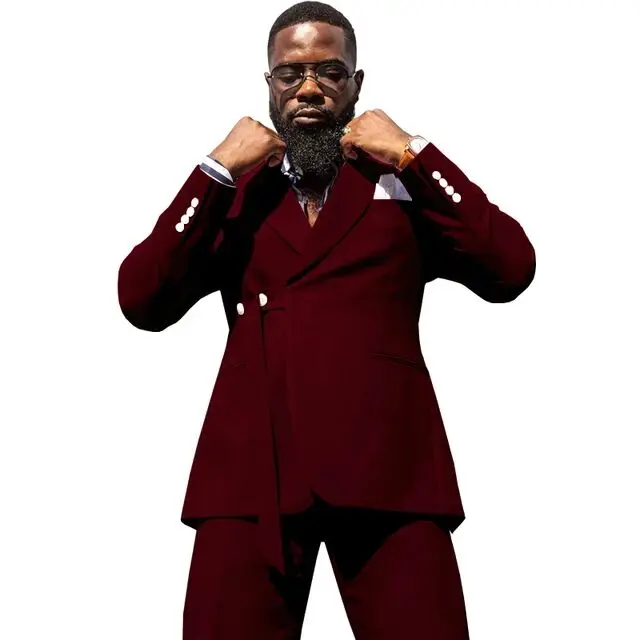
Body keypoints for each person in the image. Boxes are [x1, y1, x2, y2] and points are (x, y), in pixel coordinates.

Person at [117, 2, 536, 637]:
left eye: (329, 72)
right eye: (290, 74)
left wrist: (415, 154)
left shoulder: (403, 184)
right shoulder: (237, 192)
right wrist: (214, 171)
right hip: (251, 473)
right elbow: (141, 300)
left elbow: (510, 266)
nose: (309, 88)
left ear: (356, 83)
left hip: (391, 470)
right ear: (269, 84)